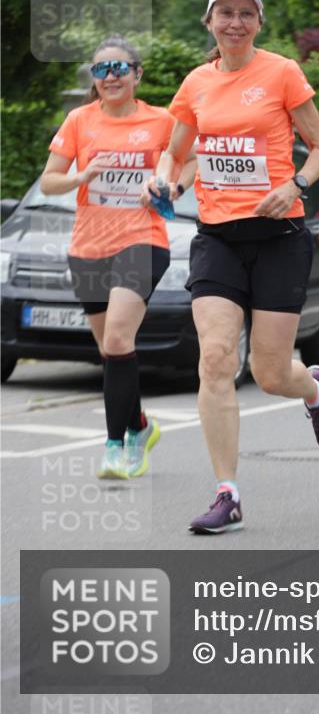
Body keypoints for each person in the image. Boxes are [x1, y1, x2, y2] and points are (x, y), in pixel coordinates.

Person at [148, 0, 319, 534]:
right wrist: (166, 182)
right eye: (224, 13)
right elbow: (177, 153)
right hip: (217, 238)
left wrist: (298, 186)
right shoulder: (195, 83)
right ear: (209, 21)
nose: (235, 22)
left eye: (245, 13)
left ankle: (315, 389)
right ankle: (227, 492)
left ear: (259, 21)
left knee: (272, 371)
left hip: (279, 237)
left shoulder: (282, 72)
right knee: (214, 360)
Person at [40, 35, 193, 480]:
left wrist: (171, 188)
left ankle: (115, 448)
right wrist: (79, 176)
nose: (110, 77)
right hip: (87, 247)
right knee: (112, 353)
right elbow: (49, 181)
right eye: (101, 70)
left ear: (137, 74)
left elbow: (191, 158)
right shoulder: (79, 120)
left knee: (118, 341)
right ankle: (140, 426)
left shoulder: (162, 120)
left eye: (119, 69)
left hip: (143, 238)